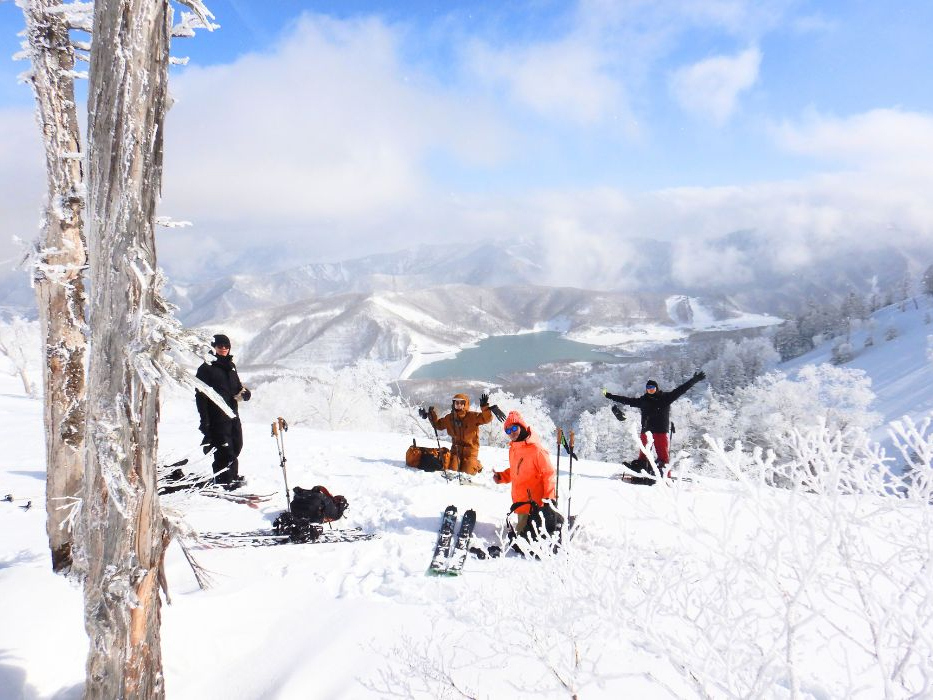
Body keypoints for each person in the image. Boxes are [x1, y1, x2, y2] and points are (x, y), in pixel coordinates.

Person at [602, 372, 706, 477]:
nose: (650, 390)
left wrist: (694, 380)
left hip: (660, 431)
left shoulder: (665, 398)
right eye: (648, 388)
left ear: (656, 388)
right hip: (646, 431)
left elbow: (681, 390)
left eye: (652, 388)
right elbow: (627, 400)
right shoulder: (643, 400)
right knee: (643, 453)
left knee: (663, 456)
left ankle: (665, 475)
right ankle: (641, 469)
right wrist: (610, 396)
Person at [195, 334, 251, 489]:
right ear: (214, 347)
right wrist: (205, 421)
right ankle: (223, 480)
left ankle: (232, 476)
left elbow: (237, 388)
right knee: (224, 449)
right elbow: (200, 396)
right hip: (216, 416)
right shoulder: (206, 368)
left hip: (233, 414)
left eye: (226, 346)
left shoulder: (231, 366)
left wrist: (244, 393)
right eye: (220, 346)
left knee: (236, 445)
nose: (224, 349)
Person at [492, 411, 557, 536]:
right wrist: (501, 476)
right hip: (520, 502)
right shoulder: (513, 449)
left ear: (521, 426)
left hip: (535, 505)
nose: (512, 433)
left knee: (528, 542)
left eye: (514, 428)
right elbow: (516, 470)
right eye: (508, 431)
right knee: (523, 538)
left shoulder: (536, 450)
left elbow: (549, 474)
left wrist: (549, 499)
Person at [426, 393, 494, 475]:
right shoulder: (449, 418)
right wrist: (431, 416)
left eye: (461, 403)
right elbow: (438, 425)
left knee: (468, 471)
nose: (459, 405)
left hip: (470, 451)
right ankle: (462, 462)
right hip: (456, 451)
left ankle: (476, 464)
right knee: (453, 468)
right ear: (454, 404)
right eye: (456, 403)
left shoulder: (472, 416)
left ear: (465, 404)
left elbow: (486, 419)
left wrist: (485, 408)